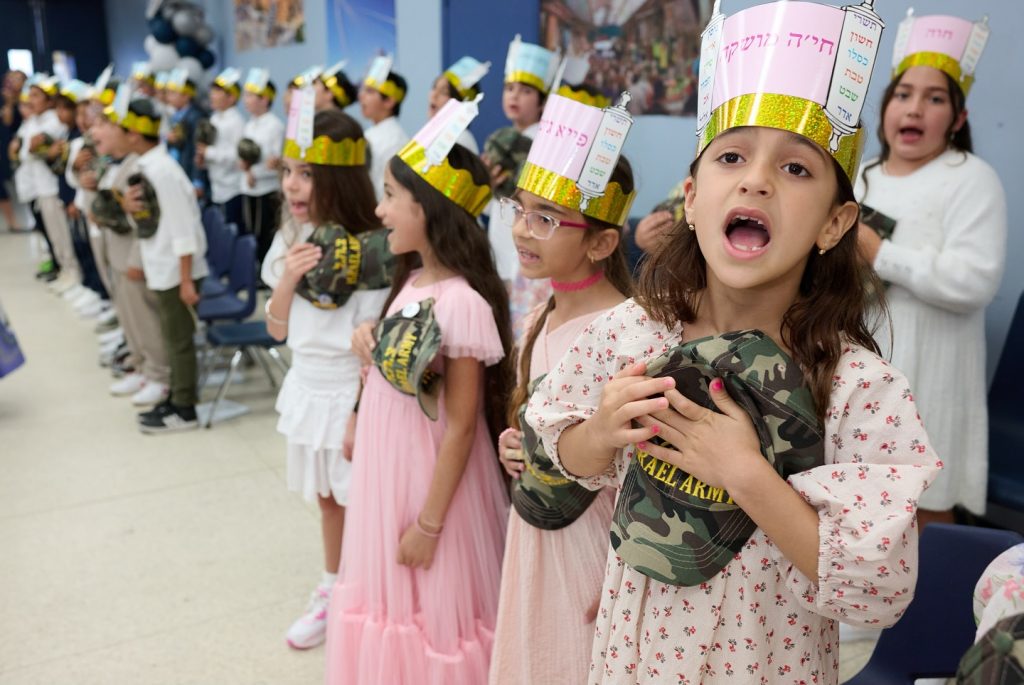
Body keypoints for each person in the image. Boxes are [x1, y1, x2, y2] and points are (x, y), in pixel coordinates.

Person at [525, 2, 942, 682]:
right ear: (691, 198)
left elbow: (879, 587)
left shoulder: (856, 387)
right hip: (633, 661)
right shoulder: (635, 331)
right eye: (732, 156)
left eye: (797, 169)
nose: (756, 179)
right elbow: (559, 449)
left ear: (836, 222)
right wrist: (601, 430)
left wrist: (746, 472)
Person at [324, 98, 511, 685]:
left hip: (432, 484)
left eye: (388, 196)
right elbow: (403, 372)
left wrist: (429, 525)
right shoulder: (409, 282)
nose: (378, 209)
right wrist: (369, 349)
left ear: (427, 207)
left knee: (435, 607)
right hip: (390, 469)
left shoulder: (462, 302)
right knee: (389, 600)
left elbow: (460, 425)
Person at [489, 90, 636, 685]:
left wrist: (628, 581)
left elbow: (645, 474)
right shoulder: (539, 317)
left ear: (601, 241)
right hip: (535, 533)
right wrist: (512, 441)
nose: (524, 230)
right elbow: (536, 417)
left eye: (546, 218)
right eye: (520, 210)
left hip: (595, 549)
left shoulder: (628, 334)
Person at [856, 11, 1005, 527]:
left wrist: (880, 254)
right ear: (885, 108)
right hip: (861, 357)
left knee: (925, 506)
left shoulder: (971, 177)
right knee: (857, 503)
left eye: (935, 98)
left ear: (958, 119)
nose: (914, 107)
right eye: (903, 94)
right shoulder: (863, 177)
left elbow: (975, 280)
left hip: (934, 370)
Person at [262, 101, 393, 650]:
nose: (293, 185)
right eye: (288, 171)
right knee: (328, 499)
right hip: (307, 386)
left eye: (308, 173)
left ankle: (372, 598)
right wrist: (288, 280)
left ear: (339, 176)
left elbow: (371, 344)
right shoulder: (292, 234)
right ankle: (332, 587)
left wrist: (358, 416)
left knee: (368, 504)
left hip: (352, 392)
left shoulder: (373, 249)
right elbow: (275, 329)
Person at [120, 98, 208, 432]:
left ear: (134, 135)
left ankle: (185, 410)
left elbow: (183, 227)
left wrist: (186, 280)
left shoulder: (162, 171)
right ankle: (176, 398)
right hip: (164, 267)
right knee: (172, 338)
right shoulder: (148, 166)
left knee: (180, 340)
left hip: (176, 271)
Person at [89, 85, 171, 407]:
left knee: (145, 319)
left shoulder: (141, 167)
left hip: (134, 255)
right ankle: (140, 365)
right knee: (130, 317)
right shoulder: (117, 163)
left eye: (107, 125)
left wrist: (138, 258)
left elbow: (146, 221)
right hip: (118, 253)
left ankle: (159, 374)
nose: (100, 130)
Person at [481, 35, 559, 335]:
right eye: (509, 88)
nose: (514, 96)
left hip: (531, 248)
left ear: (541, 101)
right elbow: (496, 204)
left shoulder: (545, 142)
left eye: (526, 90)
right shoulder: (501, 140)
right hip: (502, 238)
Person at [14, 74, 80, 291]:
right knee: (54, 235)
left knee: (63, 234)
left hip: (52, 186)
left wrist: (33, 149)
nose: (30, 100)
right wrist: (30, 148)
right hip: (39, 187)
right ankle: (65, 270)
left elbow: (41, 149)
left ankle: (74, 274)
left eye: (35, 95)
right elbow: (24, 151)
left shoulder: (53, 120)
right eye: (29, 95)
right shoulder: (34, 120)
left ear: (49, 100)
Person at [238, 67, 284, 265]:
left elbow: (274, 162)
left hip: (266, 189)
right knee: (250, 232)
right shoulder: (249, 124)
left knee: (266, 233)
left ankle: (265, 272)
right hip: (249, 187)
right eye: (246, 95)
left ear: (265, 99)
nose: (246, 100)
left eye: (251, 95)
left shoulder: (275, 125)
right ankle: (254, 269)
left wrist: (253, 171)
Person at [196, 67, 245, 228]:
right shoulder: (214, 118)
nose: (212, 96)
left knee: (231, 230)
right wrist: (202, 159)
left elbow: (237, 155)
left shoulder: (236, 122)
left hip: (232, 188)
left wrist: (209, 152)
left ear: (231, 97)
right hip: (215, 185)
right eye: (213, 91)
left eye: (217, 92)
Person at [359, 55, 409, 200]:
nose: (361, 96)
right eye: (363, 90)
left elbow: (389, 191)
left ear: (389, 101)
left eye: (369, 91)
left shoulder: (394, 140)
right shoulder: (371, 133)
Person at [427, 56, 490, 153]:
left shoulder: (461, 140)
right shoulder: (431, 134)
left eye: (444, 92)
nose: (434, 95)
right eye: (434, 87)